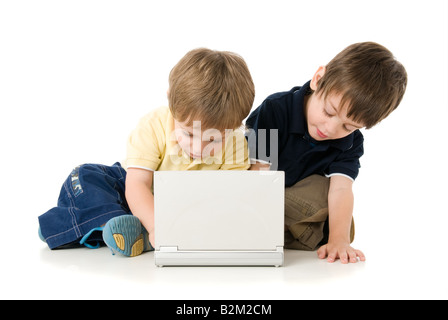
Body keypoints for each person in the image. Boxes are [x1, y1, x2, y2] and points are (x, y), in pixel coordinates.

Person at [38, 48, 255, 257]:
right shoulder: (154, 125)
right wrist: (155, 226)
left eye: (214, 139)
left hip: (182, 208)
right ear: (171, 102)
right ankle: (111, 225)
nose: (198, 149)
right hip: (135, 191)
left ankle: (88, 227)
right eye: (188, 134)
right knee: (85, 176)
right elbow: (137, 184)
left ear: (236, 124)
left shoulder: (236, 142)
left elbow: (230, 196)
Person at [246, 42, 407, 264]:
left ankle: (291, 232)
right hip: (259, 188)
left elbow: (341, 188)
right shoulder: (277, 108)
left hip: (296, 199)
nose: (331, 129)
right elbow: (257, 173)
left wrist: (339, 239)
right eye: (329, 112)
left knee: (340, 220)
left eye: (348, 127)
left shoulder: (350, 143)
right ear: (318, 79)